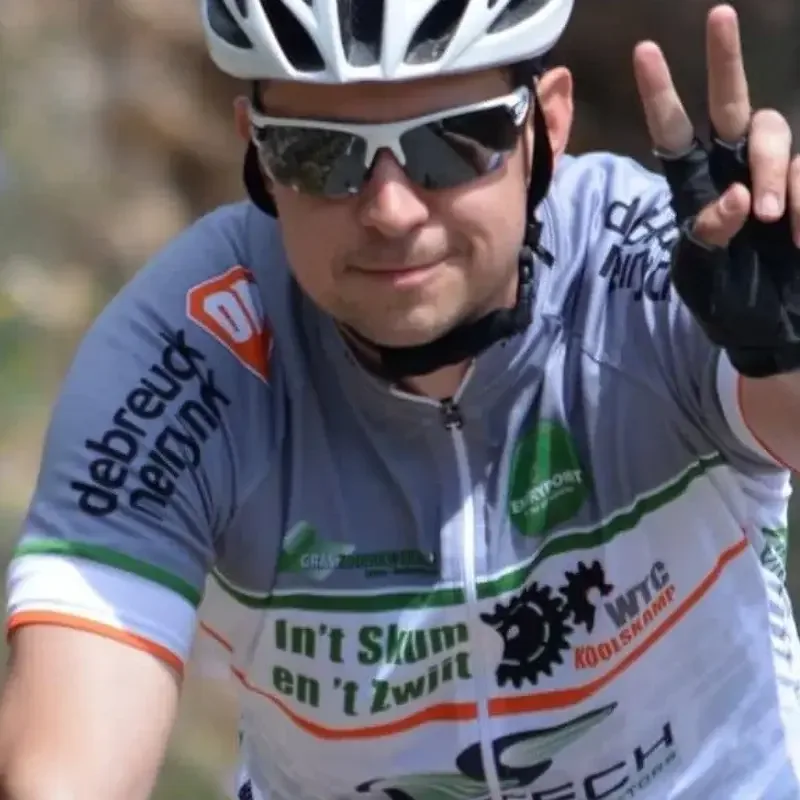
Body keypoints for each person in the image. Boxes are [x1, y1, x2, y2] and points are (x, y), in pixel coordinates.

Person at [2, 0, 800, 796]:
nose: (390, 210)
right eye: (320, 153)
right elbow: (65, 772)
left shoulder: (668, 269)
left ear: (547, 125)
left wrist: (784, 353)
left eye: (451, 142)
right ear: (258, 155)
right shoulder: (191, 353)